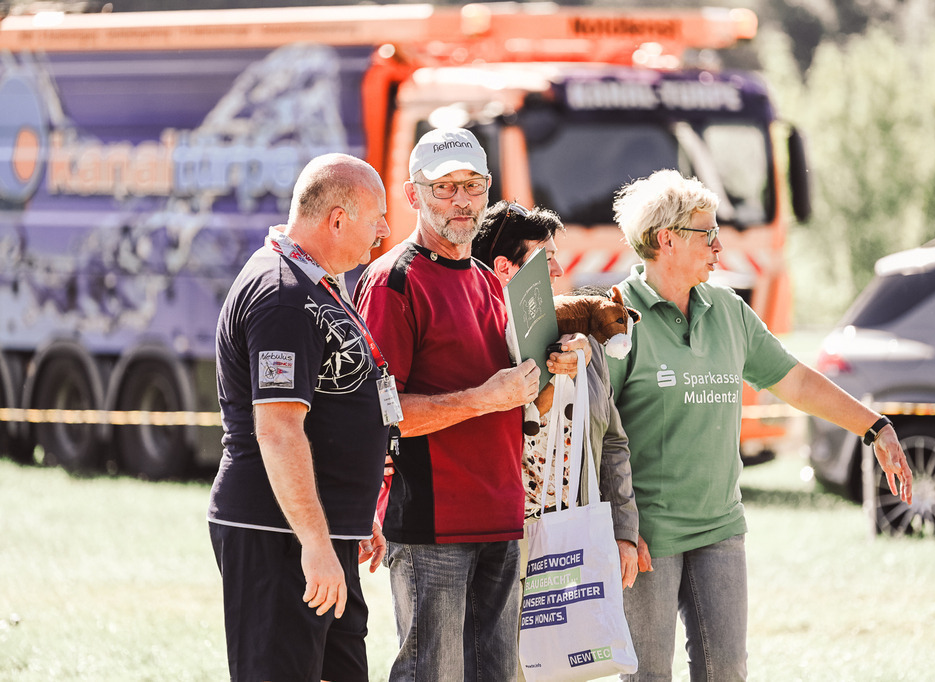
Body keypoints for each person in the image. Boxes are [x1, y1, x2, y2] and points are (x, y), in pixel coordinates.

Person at [606, 170, 914, 682]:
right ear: (667, 240)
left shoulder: (728, 310)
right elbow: (598, 434)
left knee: (728, 671)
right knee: (648, 676)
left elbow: (794, 381)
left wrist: (874, 426)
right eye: (707, 234)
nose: (719, 246)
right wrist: (619, 525)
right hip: (645, 538)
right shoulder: (617, 318)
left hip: (720, 527)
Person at [353, 128, 579, 681]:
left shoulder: (490, 281)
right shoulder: (392, 283)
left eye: (473, 187)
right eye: (445, 187)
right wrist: (482, 400)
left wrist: (556, 367)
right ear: (413, 196)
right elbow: (379, 413)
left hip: (502, 519)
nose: (461, 201)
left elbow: (527, 402)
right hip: (431, 526)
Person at [208, 153, 394, 682]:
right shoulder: (283, 294)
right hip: (278, 534)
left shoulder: (314, 281)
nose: (384, 231)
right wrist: (314, 541)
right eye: (375, 216)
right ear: (337, 219)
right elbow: (278, 428)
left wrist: (352, 513)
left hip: (319, 528)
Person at [471, 200, 640, 590]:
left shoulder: (585, 344)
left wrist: (624, 531)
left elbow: (612, 444)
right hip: (504, 545)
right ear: (504, 267)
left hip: (576, 537)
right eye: (546, 257)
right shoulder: (476, 345)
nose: (560, 271)